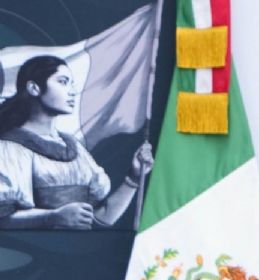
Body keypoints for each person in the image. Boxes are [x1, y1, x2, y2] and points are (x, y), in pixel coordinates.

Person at [0, 55, 153, 229]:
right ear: (34, 88)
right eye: (63, 82)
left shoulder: (75, 148)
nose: (72, 91)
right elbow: (2, 219)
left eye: (71, 83)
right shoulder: (10, 148)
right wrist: (52, 217)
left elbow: (102, 219)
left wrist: (133, 178)